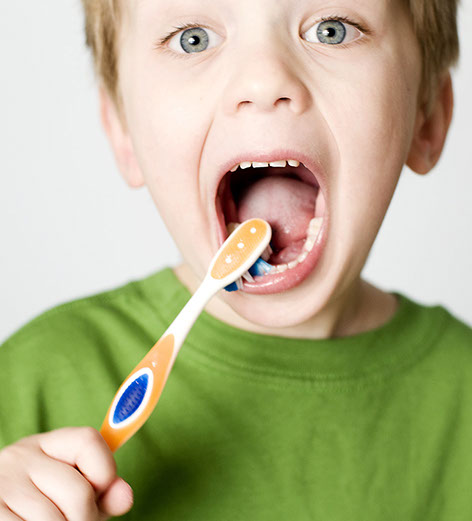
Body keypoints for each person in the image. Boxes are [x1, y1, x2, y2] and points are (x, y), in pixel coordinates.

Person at [0, 0, 470, 519]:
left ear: (427, 115)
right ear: (122, 129)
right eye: (192, 38)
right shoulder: (28, 386)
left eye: (332, 30)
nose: (264, 80)